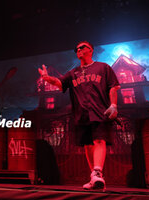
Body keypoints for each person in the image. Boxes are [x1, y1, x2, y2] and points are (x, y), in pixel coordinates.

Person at [38, 41, 120, 190]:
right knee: (87, 145)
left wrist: (113, 105)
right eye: (77, 48)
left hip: (100, 111)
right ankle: (95, 176)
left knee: (99, 140)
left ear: (91, 50)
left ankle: (97, 172)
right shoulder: (73, 73)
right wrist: (47, 78)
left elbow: (113, 87)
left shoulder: (103, 67)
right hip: (81, 114)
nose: (79, 50)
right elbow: (60, 83)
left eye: (82, 47)